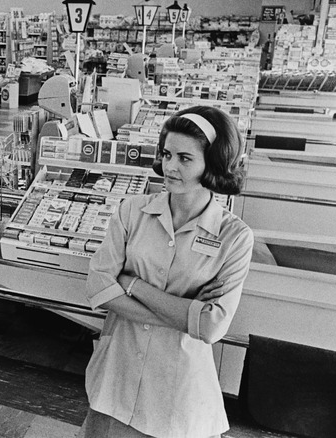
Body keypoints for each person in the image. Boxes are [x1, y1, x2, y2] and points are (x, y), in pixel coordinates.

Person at [80, 106, 254, 438]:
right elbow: (98, 285)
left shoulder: (235, 237)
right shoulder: (133, 210)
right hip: (117, 372)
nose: (169, 167)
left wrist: (132, 285)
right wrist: (186, 317)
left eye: (185, 159)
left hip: (179, 391)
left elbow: (212, 325)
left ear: (213, 164)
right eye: (167, 154)